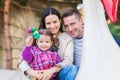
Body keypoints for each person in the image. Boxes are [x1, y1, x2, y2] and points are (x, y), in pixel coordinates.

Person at [18, 7, 74, 80]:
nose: (52, 26)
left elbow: (68, 61)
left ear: (60, 21)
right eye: (48, 23)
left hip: (57, 74)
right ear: (44, 24)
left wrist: (52, 70)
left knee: (73, 69)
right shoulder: (37, 37)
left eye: (55, 22)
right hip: (37, 75)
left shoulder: (67, 39)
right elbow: (22, 60)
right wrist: (32, 72)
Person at [57, 8, 84, 80]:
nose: (70, 29)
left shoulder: (95, 35)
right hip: (72, 74)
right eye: (66, 26)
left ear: (81, 21)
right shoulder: (66, 39)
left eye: (72, 24)